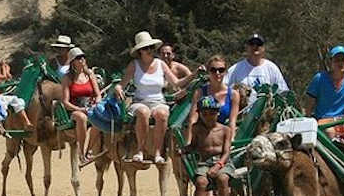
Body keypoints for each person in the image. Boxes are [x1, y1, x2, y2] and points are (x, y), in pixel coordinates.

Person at [116, 31, 198, 164]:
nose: (149, 50)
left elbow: (176, 83)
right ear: (140, 51)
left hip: (158, 101)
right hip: (140, 101)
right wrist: (118, 88)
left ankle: (158, 152)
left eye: (151, 47)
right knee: (143, 112)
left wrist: (193, 74)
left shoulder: (161, 64)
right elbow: (122, 84)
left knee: (163, 113)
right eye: (145, 48)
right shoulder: (134, 65)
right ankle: (140, 150)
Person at [186, 97, 234, 196]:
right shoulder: (196, 129)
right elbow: (194, 146)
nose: (208, 117)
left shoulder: (225, 130)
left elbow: (226, 153)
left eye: (211, 113)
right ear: (200, 114)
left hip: (222, 162)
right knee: (201, 182)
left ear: (217, 113)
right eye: (204, 113)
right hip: (205, 162)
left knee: (223, 179)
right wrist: (185, 149)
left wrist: (218, 165)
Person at [305, 45, 344, 138]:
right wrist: (308, 122)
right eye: (337, 60)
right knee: (329, 133)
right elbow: (310, 103)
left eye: (343, 59)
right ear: (330, 62)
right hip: (324, 121)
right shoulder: (319, 78)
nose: (340, 63)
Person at [61, 47, 101, 164]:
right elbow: (65, 102)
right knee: (81, 117)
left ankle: (89, 149)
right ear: (73, 61)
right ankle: (81, 151)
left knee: (100, 117)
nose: (82, 60)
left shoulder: (90, 75)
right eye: (78, 58)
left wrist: (97, 103)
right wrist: (80, 109)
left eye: (83, 57)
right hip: (74, 109)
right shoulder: (67, 78)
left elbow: (98, 94)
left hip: (90, 106)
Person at [226, 34, 289, 105]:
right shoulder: (236, 69)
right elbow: (223, 89)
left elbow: (283, 91)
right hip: (242, 113)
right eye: (252, 44)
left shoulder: (271, 68)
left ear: (263, 48)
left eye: (259, 44)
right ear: (247, 47)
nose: (255, 47)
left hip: (266, 113)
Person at [189, 55, 240, 140]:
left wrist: (231, 141)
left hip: (222, 136)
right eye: (213, 70)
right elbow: (193, 120)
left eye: (221, 70)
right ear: (208, 72)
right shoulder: (199, 93)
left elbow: (232, 122)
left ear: (226, 72)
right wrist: (189, 142)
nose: (217, 73)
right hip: (202, 137)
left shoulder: (233, 95)